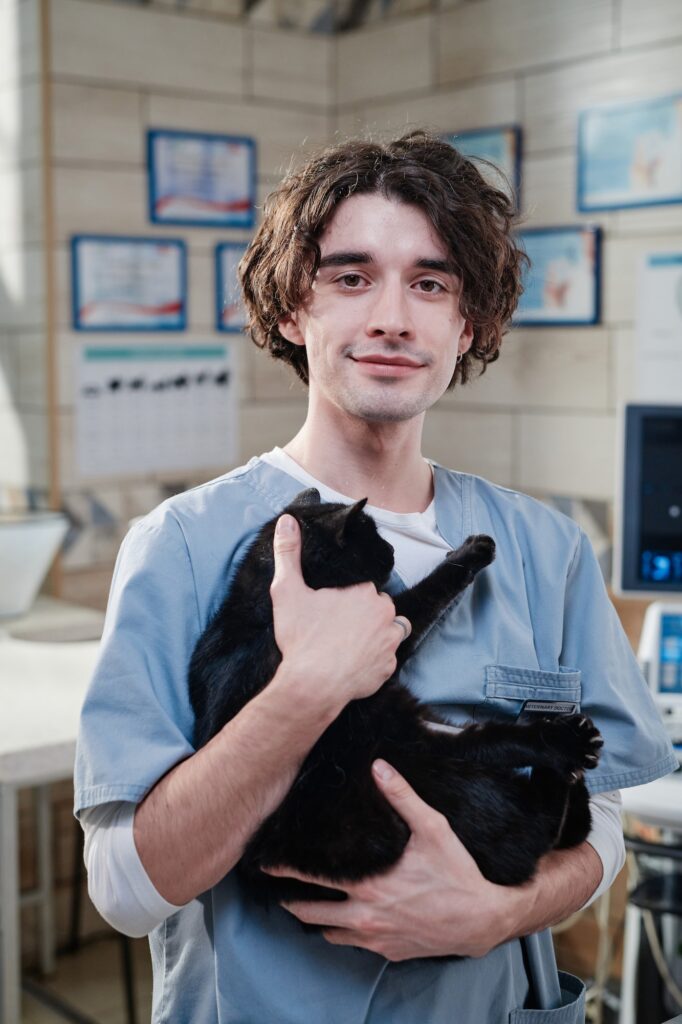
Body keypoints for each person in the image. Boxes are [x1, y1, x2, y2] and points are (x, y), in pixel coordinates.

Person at [75, 131, 678, 1024]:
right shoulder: (185, 545)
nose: (393, 316)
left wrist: (499, 914)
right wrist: (302, 695)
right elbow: (128, 892)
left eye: (430, 283)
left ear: (467, 323)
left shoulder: (546, 551)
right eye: (351, 278)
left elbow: (602, 829)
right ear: (291, 309)